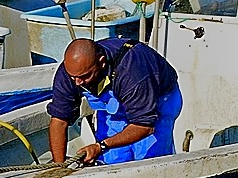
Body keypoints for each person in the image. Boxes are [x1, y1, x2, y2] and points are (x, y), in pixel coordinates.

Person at [48, 37, 183, 165]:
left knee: (148, 158)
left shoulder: (132, 72)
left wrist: (100, 146)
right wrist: (58, 166)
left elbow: (144, 126)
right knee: (112, 159)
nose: (77, 83)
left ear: (101, 62)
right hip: (113, 107)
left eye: (84, 77)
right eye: (73, 77)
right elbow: (59, 121)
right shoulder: (70, 73)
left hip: (156, 102)